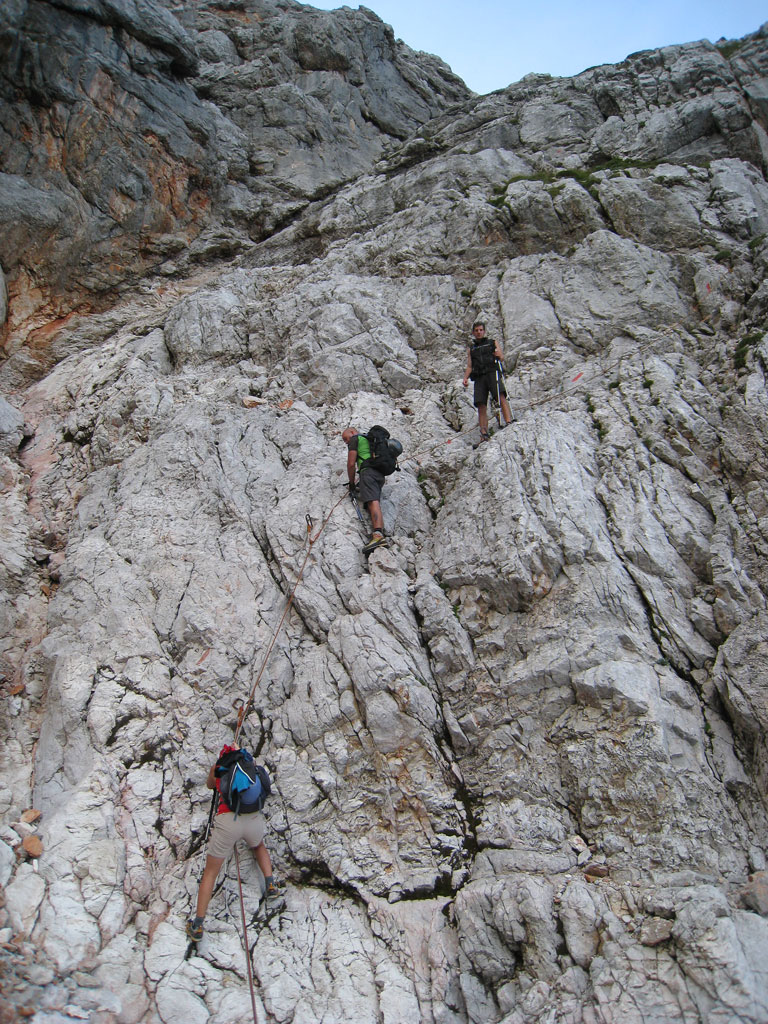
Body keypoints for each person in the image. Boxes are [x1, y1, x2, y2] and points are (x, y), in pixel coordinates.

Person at [186, 744, 282, 942]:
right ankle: (270, 884)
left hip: (228, 821)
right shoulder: (249, 766)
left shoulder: (219, 768)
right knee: (258, 846)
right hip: (253, 819)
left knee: (210, 872)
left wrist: (215, 770)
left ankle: (198, 925)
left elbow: (210, 785)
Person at [462, 321, 512, 441]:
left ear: (484, 331)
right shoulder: (472, 349)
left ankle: (508, 421)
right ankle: (484, 432)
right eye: (476, 330)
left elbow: (501, 357)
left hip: (492, 373)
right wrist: (465, 378)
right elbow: (469, 366)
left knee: (500, 396)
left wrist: (498, 355)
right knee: (481, 404)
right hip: (479, 377)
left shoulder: (492, 343)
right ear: (473, 332)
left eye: (481, 330)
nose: (479, 332)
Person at [342, 427, 388, 553]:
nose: (346, 442)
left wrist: (352, 484)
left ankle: (378, 536)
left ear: (352, 432)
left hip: (368, 473)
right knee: (373, 501)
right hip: (379, 474)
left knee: (372, 501)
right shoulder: (369, 440)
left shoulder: (355, 439)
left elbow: (351, 464)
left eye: (345, 438)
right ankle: (379, 532)